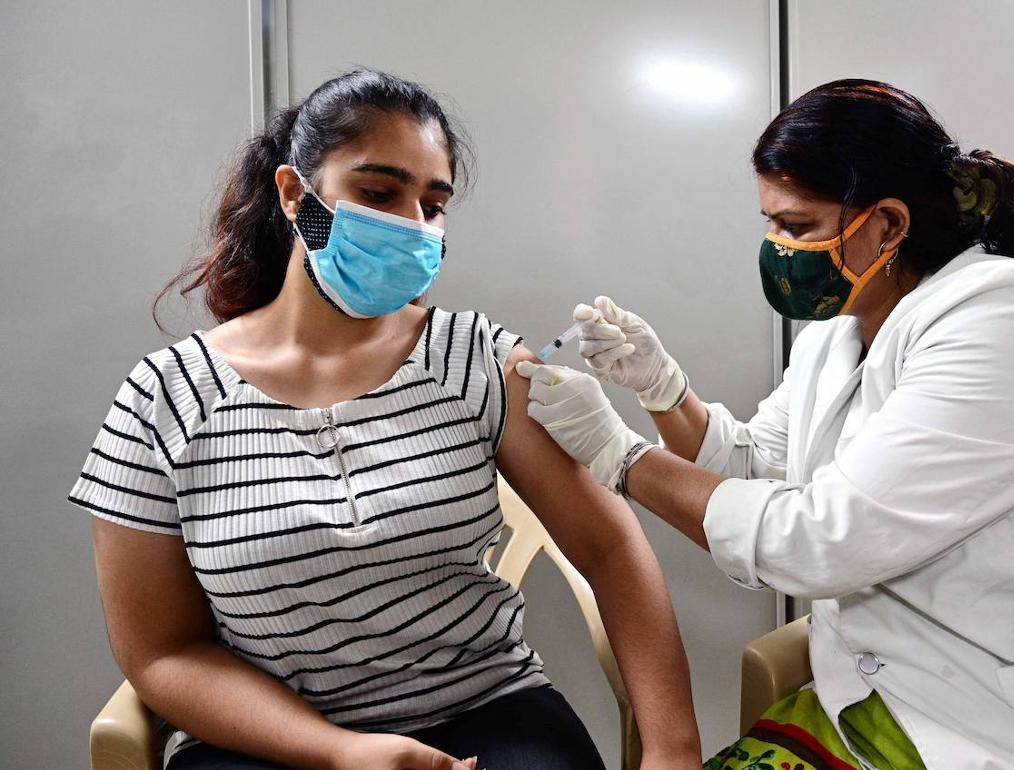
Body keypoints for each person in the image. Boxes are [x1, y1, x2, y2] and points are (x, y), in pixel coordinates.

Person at [517, 79, 1014, 769]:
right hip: (894, 692)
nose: (777, 247)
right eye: (770, 222)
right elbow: (752, 466)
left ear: (890, 223)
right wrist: (663, 389)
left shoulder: (1010, 314)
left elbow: (818, 539)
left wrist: (619, 457)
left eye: (795, 225)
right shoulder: (836, 336)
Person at [69, 69, 703, 770]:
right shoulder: (164, 398)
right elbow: (161, 650)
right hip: (270, 737)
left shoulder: (476, 361)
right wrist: (341, 752)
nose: (412, 225)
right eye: (377, 193)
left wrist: (674, 748)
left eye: (433, 204)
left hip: (485, 710)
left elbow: (610, 550)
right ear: (293, 194)